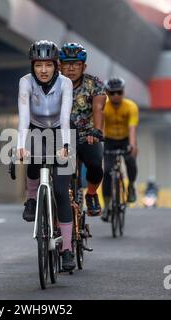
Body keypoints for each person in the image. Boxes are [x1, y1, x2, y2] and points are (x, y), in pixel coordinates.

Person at [17, 40, 75, 271]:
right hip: (35, 128)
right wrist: (21, 144)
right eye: (38, 64)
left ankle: (67, 249)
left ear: (56, 66)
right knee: (32, 155)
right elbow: (23, 116)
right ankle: (32, 199)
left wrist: (66, 146)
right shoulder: (25, 82)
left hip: (62, 131)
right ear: (32, 66)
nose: (43, 70)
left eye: (48, 65)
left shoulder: (66, 83)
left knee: (61, 190)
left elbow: (64, 115)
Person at [59, 43, 106, 216]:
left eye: (76, 64)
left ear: (83, 66)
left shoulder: (95, 84)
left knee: (95, 164)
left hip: (87, 135)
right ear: (59, 65)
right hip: (60, 136)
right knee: (56, 172)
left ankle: (92, 194)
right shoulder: (52, 83)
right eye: (66, 64)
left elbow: (98, 109)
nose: (71, 68)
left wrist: (96, 131)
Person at [101, 77, 139, 222]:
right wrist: (100, 145)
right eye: (112, 93)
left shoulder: (131, 106)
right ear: (107, 93)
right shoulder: (103, 106)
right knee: (107, 172)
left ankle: (131, 187)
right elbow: (101, 127)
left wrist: (133, 145)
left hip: (125, 140)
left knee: (130, 161)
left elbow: (132, 128)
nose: (116, 95)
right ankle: (107, 206)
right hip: (109, 140)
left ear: (123, 92)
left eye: (119, 92)